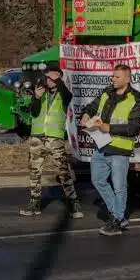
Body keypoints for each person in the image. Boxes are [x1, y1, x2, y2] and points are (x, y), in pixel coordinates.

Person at [81, 64, 140, 236]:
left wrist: (111, 128)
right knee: (97, 180)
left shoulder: (135, 98)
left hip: (120, 149)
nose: (113, 79)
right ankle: (117, 213)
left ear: (127, 79)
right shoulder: (107, 92)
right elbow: (92, 106)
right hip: (101, 147)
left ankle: (117, 219)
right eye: (113, 76)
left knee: (119, 187)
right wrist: (86, 114)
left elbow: (135, 127)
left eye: (117, 77)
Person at [19, 66, 83, 219]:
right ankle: (34, 202)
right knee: (34, 171)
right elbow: (33, 112)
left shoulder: (63, 94)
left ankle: (73, 202)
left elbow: (68, 95)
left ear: (59, 78)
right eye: (47, 77)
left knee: (63, 171)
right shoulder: (41, 92)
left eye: (52, 78)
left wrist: (57, 79)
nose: (48, 80)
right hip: (37, 137)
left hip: (55, 139)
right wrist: (35, 97)